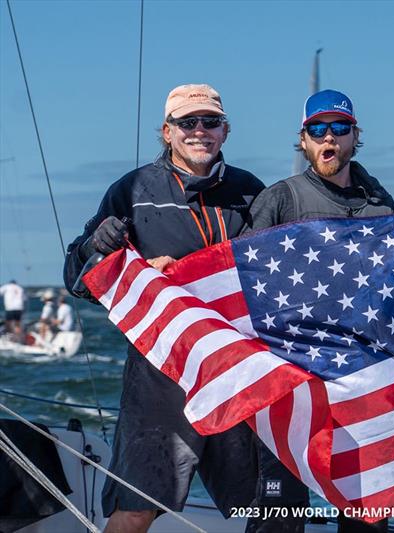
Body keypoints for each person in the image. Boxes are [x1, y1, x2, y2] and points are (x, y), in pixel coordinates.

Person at [64, 83, 265, 532]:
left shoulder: (250, 191)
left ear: (225, 131)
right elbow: (77, 281)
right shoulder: (133, 190)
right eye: (187, 122)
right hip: (162, 372)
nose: (199, 131)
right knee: (136, 508)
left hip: (237, 370)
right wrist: (99, 249)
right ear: (167, 131)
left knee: (263, 507)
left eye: (209, 122)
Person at [247, 89, 394, 533]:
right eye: (317, 129)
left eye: (339, 128)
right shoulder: (280, 199)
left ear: (355, 136)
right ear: (304, 140)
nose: (328, 136)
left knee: (367, 509)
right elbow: (243, 279)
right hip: (293, 378)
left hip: (362, 377)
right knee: (280, 511)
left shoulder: (381, 204)